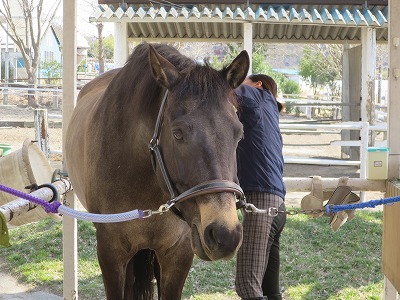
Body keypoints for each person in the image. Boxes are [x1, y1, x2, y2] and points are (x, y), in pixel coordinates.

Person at [235, 74, 287, 300]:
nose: (239, 85)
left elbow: (222, 87)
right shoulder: (269, 110)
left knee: (248, 286)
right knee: (270, 290)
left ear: (258, 84)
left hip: (262, 204)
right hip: (278, 206)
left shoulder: (255, 95)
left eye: (243, 81)